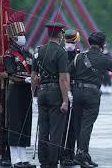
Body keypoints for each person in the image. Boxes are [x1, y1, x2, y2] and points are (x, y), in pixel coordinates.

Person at [69, 31, 112, 168]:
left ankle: (84, 154)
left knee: (78, 125)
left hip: (77, 92)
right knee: (87, 125)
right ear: (102, 44)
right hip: (92, 94)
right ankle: (81, 155)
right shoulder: (104, 58)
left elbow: (68, 72)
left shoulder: (79, 56)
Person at [31, 22, 70, 168]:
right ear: (60, 34)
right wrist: (65, 100)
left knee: (43, 128)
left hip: (42, 92)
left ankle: (43, 161)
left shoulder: (38, 51)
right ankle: (53, 162)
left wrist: (34, 96)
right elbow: (63, 78)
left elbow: (34, 76)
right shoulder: (61, 52)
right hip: (55, 92)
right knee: (56, 130)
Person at [3, 11, 35, 168]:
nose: (23, 36)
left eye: (24, 33)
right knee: (15, 124)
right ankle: (15, 159)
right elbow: (11, 75)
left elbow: (33, 69)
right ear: (13, 37)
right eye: (21, 34)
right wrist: (26, 79)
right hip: (15, 92)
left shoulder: (26, 52)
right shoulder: (9, 55)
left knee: (25, 123)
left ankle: (23, 158)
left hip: (26, 92)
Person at [59, 28, 81, 166]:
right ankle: (61, 155)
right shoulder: (59, 53)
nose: (69, 44)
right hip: (61, 92)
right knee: (61, 126)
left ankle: (70, 154)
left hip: (75, 91)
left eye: (72, 41)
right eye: (67, 41)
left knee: (73, 126)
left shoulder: (78, 55)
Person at [0, 71, 11, 166]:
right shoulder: (1, 58)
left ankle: (11, 152)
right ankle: (2, 154)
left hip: (16, 94)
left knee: (13, 125)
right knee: (3, 125)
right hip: (3, 93)